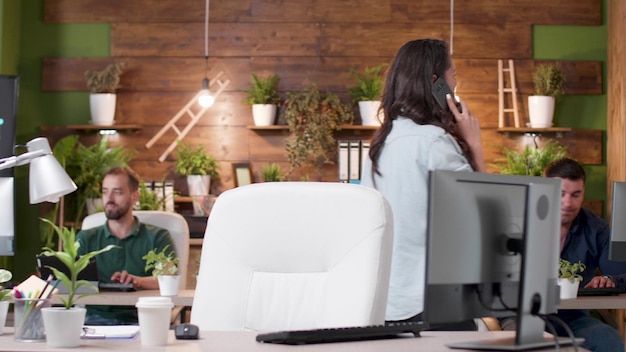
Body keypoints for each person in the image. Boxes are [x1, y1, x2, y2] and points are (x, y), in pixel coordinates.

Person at [360, 38, 486, 328]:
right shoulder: (433, 143)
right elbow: (483, 217)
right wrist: (474, 144)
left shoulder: (380, 145)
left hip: (388, 303)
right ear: (436, 82)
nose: (455, 85)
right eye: (453, 75)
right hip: (431, 303)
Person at [542, 157, 626, 352]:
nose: (567, 203)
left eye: (576, 194)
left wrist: (609, 279)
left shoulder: (596, 229)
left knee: (608, 340)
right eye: (561, 193)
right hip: (523, 315)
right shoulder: (522, 221)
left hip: (572, 318)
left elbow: (621, 274)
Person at [76, 166, 177, 325]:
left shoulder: (157, 237)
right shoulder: (86, 238)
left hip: (143, 319)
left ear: (134, 196)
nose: (109, 198)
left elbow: (168, 279)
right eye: (104, 191)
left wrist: (137, 281)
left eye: (117, 192)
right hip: (94, 321)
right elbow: (70, 280)